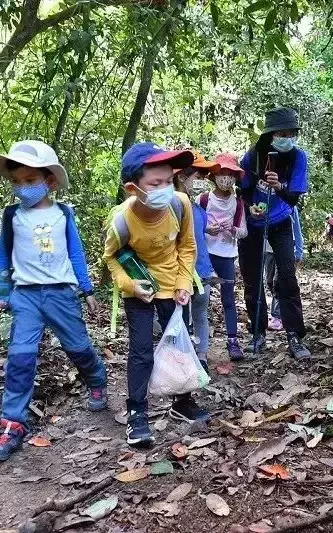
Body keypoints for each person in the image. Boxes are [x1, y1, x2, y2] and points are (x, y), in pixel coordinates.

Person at [0, 140, 108, 462]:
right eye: (16, 182)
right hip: (24, 295)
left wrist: (88, 289)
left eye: (29, 181)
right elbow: (2, 254)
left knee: (78, 347)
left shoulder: (63, 214)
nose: (21, 188)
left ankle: (96, 379)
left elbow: (76, 254)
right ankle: (12, 425)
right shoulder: (11, 215)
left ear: (49, 181)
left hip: (61, 293)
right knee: (20, 359)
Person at [103, 142, 211, 448]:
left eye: (168, 181)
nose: (165, 188)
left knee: (180, 343)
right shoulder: (122, 220)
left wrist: (183, 283)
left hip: (174, 285)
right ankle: (137, 412)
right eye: (155, 183)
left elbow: (187, 246)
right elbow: (111, 258)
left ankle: (183, 400)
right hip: (140, 288)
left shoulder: (180, 204)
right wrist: (130, 286)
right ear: (132, 188)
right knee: (140, 350)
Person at [239, 107, 310, 359]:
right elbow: (243, 190)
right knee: (252, 278)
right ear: (270, 135)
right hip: (254, 224)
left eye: (290, 133)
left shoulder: (298, 158)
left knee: (287, 277)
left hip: (280, 222)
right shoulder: (252, 157)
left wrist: (279, 185)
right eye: (281, 132)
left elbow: (294, 198)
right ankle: (257, 334)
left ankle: (294, 335)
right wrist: (251, 209)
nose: (286, 137)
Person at [173, 151, 220, 372]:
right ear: (182, 176)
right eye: (199, 176)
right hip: (179, 274)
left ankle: (201, 357)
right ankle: (182, 357)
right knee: (179, 317)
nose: (202, 181)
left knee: (201, 313)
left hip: (202, 270)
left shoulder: (197, 209)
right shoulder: (172, 206)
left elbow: (199, 240)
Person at [198, 153, 247, 361]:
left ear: (235, 177)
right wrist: (208, 229)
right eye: (222, 173)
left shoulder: (238, 203)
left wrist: (234, 229)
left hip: (227, 255)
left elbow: (244, 231)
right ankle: (197, 341)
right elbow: (194, 226)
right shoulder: (203, 199)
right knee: (200, 299)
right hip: (206, 255)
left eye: (230, 174)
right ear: (214, 176)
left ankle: (233, 340)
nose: (225, 178)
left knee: (228, 298)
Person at [266, 206, 303, 329]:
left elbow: (296, 229)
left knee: (279, 282)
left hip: (285, 248)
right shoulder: (263, 203)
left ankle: (277, 316)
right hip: (268, 250)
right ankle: (281, 309)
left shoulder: (289, 207)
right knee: (270, 281)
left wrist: (299, 251)